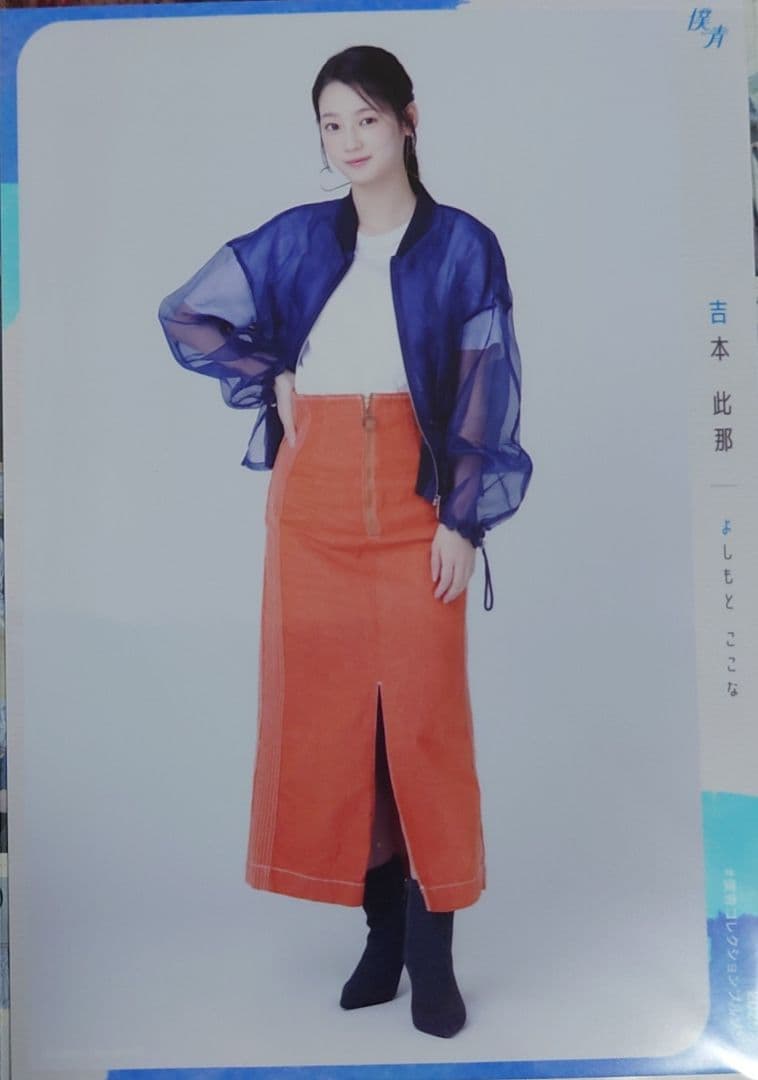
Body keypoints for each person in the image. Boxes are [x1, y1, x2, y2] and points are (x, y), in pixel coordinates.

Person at [158, 44, 532, 1039]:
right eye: (331, 124)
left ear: (408, 119)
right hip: (312, 509)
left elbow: (487, 385)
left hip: (416, 501)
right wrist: (272, 374)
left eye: (366, 118)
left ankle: (433, 954)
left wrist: (462, 518)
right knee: (336, 731)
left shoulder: (462, 247)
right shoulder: (299, 240)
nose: (349, 141)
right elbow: (187, 314)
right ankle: (380, 935)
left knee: (421, 727)